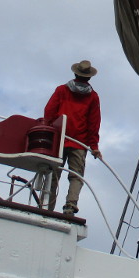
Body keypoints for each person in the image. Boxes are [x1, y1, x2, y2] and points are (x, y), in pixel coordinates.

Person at [43, 59, 102, 215]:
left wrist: (49, 130)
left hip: (59, 139)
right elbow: (94, 124)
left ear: (75, 74)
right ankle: (70, 205)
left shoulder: (62, 90)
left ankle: (46, 207)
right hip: (79, 143)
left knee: (53, 174)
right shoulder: (93, 97)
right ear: (89, 77)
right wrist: (94, 146)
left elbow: (49, 112)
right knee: (76, 176)